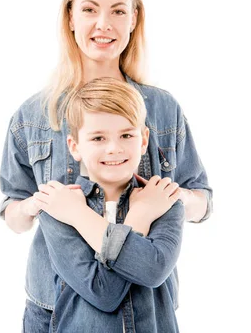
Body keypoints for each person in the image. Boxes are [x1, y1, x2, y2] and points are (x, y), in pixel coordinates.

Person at [0, 0, 212, 332]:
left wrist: (169, 200)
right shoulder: (30, 117)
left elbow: (202, 201)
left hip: (148, 309)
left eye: (117, 11)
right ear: (70, 17)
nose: (103, 24)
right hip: (53, 311)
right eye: (89, 9)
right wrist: (40, 204)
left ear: (134, 19)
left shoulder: (163, 109)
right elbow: (13, 216)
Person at [34, 77, 184, 332]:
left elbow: (153, 270)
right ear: (75, 146)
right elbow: (104, 293)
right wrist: (139, 219)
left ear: (144, 139)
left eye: (126, 135)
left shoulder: (164, 200)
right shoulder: (58, 208)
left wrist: (138, 213)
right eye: (98, 138)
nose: (114, 148)